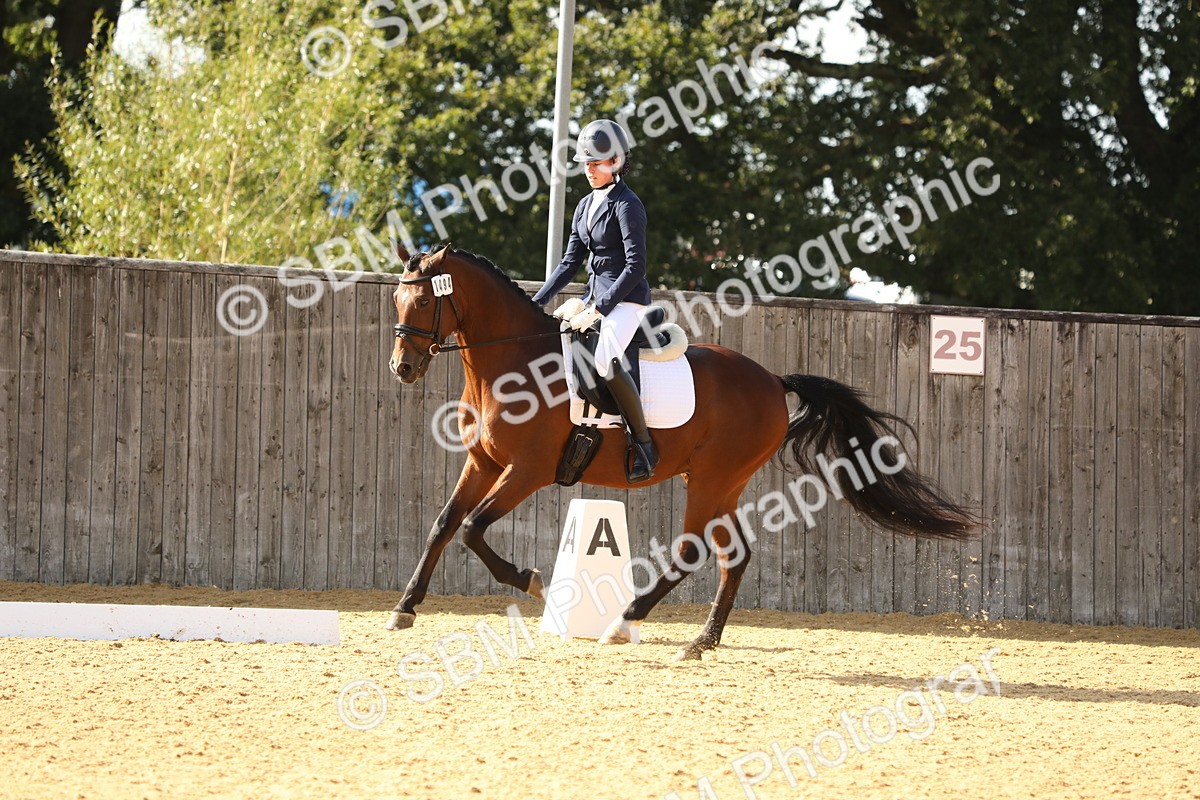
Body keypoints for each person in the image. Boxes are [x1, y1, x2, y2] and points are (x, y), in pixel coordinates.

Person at [532, 119, 659, 483]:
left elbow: (636, 266)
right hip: (592, 297)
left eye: (596, 162)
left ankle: (645, 442)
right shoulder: (585, 204)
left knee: (603, 358)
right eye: (585, 163)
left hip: (626, 300)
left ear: (616, 162)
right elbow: (570, 262)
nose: (588, 169)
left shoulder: (628, 204)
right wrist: (537, 301)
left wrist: (601, 307)